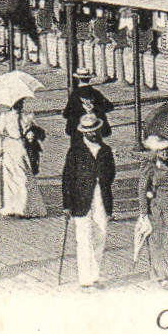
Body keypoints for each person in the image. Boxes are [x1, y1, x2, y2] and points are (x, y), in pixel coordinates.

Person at [62, 112, 117, 289]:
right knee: (84, 239)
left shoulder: (106, 151)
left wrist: (102, 179)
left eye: (96, 130)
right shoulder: (76, 151)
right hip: (81, 201)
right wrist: (67, 204)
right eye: (90, 132)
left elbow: (111, 173)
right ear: (84, 133)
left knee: (100, 236)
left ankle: (95, 277)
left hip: (101, 198)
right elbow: (67, 178)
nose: (94, 134)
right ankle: (85, 279)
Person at [136, 139, 168, 287]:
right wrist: (144, 212)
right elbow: (142, 189)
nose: (166, 152)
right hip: (157, 209)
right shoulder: (150, 167)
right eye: (162, 150)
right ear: (156, 151)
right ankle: (162, 276)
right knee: (161, 241)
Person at [0, 98, 46, 217]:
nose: (19, 105)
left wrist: (32, 134)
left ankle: (24, 207)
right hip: (10, 148)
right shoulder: (5, 116)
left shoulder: (27, 117)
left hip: (24, 149)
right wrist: (0, 148)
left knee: (24, 179)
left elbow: (39, 132)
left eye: (21, 102)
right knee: (11, 180)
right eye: (16, 103)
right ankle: (12, 207)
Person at [63, 67, 115, 143]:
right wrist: (94, 108)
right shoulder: (96, 93)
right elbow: (109, 107)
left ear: (78, 79)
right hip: (96, 129)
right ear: (89, 79)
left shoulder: (75, 94)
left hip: (78, 130)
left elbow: (66, 114)